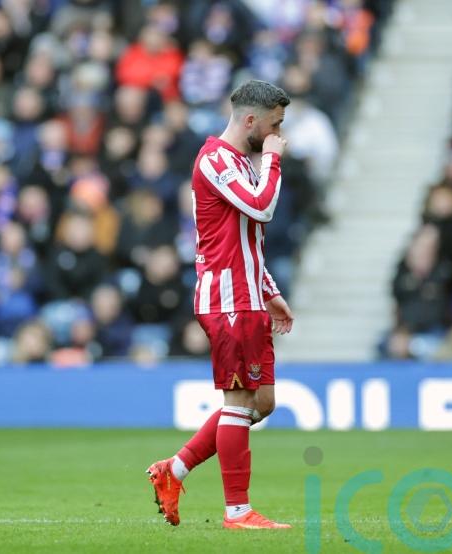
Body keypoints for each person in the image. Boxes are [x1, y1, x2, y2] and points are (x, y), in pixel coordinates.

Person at [146, 80, 293, 530]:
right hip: (227, 297)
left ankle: (174, 470)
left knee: (261, 402)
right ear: (251, 119)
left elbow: (249, 236)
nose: (276, 134)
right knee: (238, 400)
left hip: (250, 294)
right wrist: (273, 159)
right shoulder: (215, 161)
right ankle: (237, 511)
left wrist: (271, 293)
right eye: (274, 125)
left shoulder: (239, 163)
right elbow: (263, 207)